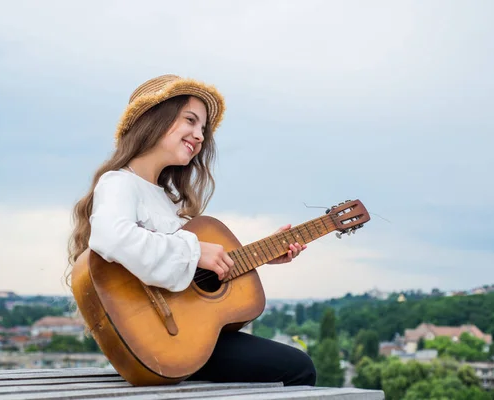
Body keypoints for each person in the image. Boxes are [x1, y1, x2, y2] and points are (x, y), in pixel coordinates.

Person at [67, 74, 316, 386]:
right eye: (190, 121)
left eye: (203, 129)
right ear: (154, 119)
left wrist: (263, 255)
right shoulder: (119, 183)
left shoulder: (167, 200)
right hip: (158, 342)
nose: (199, 136)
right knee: (298, 368)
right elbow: (111, 237)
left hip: (187, 336)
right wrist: (196, 251)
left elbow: (190, 282)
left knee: (294, 365)